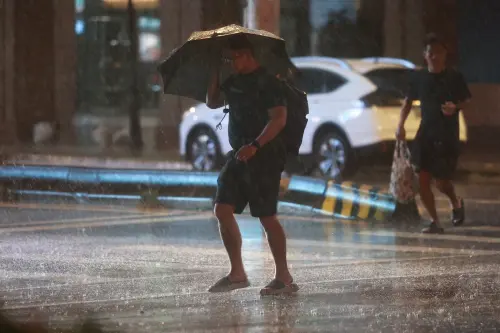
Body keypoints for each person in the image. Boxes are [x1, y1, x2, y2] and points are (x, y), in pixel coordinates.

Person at [205, 34, 299, 295]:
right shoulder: (233, 82)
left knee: (266, 216)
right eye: (228, 58)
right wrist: (214, 68)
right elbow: (212, 101)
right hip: (239, 154)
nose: (231, 62)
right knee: (222, 208)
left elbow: (279, 119)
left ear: (247, 54)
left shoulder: (269, 82)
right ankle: (237, 273)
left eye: (234, 57)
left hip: (265, 155)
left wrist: (256, 145)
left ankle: (284, 277)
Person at [396, 33, 472, 234]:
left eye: (438, 52)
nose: (434, 56)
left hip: (447, 136)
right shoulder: (419, 77)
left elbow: (466, 100)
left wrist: (455, 107)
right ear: (425, 55)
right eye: (431, 52)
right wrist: (400, 126)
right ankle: (435, 221)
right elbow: (407, 103)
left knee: (441, 182)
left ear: (445, 54)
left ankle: (456, 201)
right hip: (425, 134)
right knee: (422, 180)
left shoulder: (454, 77)